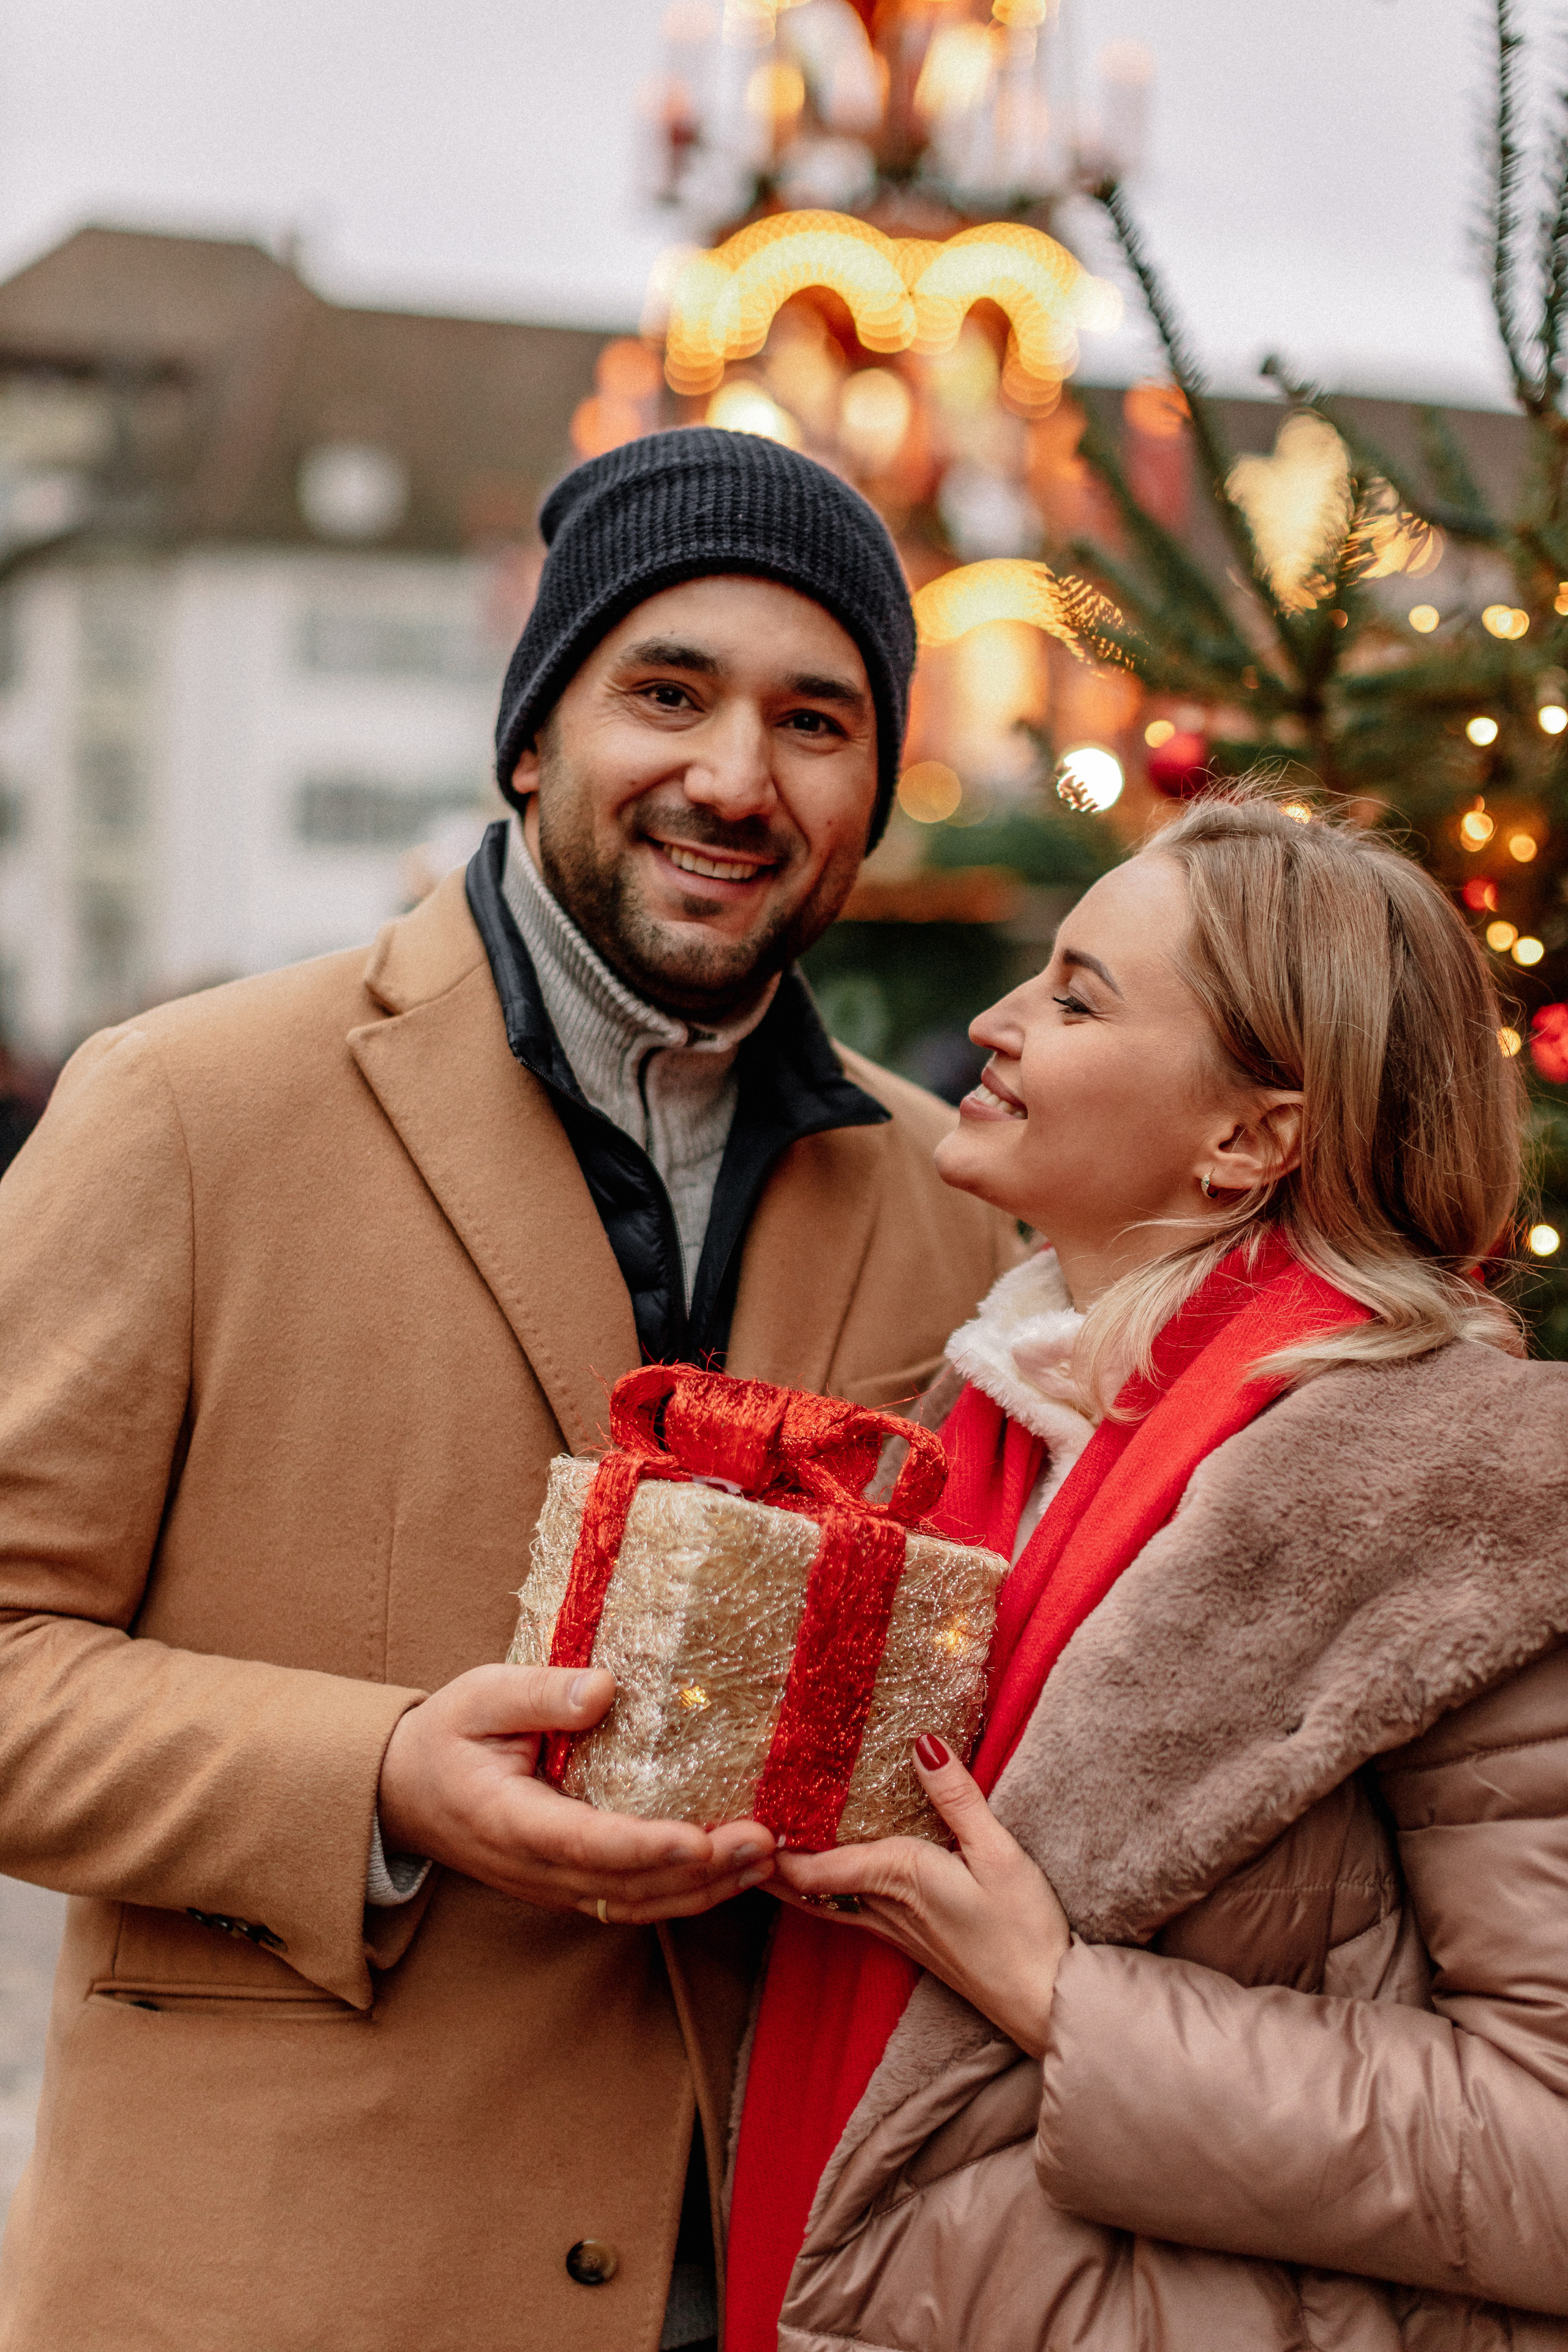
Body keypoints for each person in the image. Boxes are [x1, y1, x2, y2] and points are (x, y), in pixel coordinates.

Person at [0, 428, 1017, 2352]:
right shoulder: (187, 1108)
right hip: (278, 2284)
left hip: (770, 2279)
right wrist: (377, 1776)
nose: (734, 776)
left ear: (876, 784)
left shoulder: (950, 1200)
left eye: (816, 720)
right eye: (667, 692)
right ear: (534, 734)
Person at [726, 786, 1568, 2351]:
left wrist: (1065, 2004)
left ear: (1249, 1137)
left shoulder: (1462, 1504)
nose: (991, 1020)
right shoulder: (995, 1425)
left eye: (1072, 994)